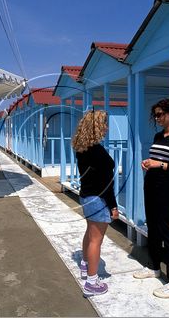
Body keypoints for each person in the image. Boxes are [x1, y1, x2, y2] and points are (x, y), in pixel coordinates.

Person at [133, 98, 169, 299]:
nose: (157, 118)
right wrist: (148, 163)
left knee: (167, 232)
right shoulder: (159, 136)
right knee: (153, 228)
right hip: (150, 186)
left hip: (166, 190)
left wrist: (161, 165)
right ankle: (154, 267)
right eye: (155, 115)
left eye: (160, 114)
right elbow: (158, 159)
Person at [72, 109, 119, 297]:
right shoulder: (97, 151)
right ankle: (92, 282)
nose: (107, 127)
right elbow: (106, 184)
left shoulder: (82, 148)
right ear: (97, 126)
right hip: (98, 199)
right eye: (104, 124)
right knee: (96, 240)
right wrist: (113, 206)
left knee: (90, 233)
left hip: (86, 196)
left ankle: (85, 265)